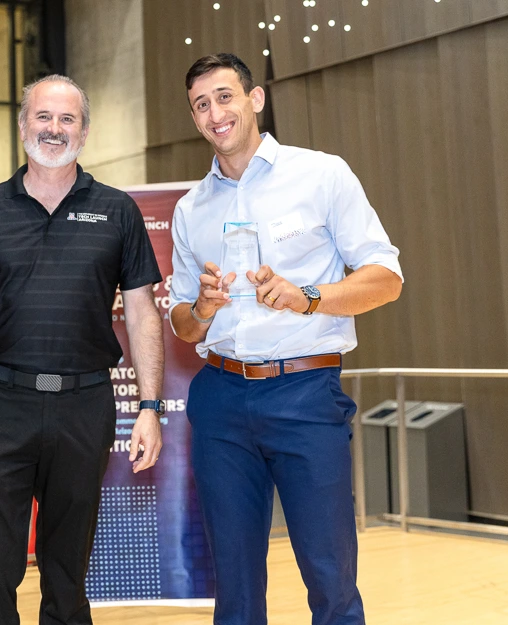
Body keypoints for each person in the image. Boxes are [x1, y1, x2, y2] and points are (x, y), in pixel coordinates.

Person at [168, 53, 403, 625]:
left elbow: (387, 278)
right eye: (202, 104)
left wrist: (309, 296)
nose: (214, 112)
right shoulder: (190, 208)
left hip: (304, 394)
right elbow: (180, 323)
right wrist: (200, 307)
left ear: (255, 99)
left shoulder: (322, 174)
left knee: (329, 577)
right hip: (221, 400)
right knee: (236, 585)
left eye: (225, 96)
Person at [0, 74, 166, 625]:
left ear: (84, 130)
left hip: (85, 405)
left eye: (67, 119)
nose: (54, 129)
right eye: (43, 117)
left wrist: (149, 408)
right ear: (22, 126)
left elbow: (142, 312)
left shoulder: (118, 211)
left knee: (68, 566)